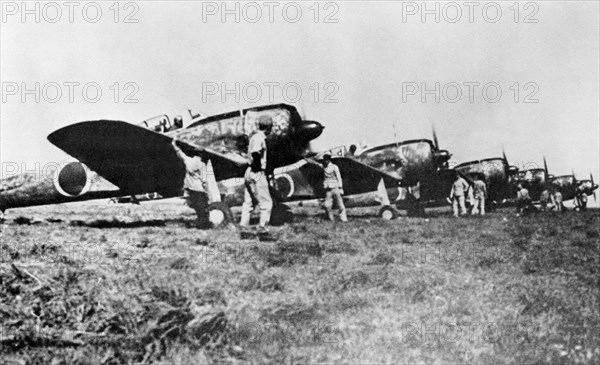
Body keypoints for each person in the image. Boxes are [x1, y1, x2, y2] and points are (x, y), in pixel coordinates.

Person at [239, 116, 274, 237]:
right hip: (256, 172)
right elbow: (256, 153)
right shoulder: (260, 137)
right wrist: (258, 169)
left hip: (248, 171)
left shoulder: (254, 136)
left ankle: (244, 229)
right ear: (269, 127)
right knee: (266, 203)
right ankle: (263, 231)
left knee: (248, 202)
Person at [171, 139, 210, 228]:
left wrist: (174, 145)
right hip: (199, 188)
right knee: (203, 209)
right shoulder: (202, 165)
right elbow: (204, 181)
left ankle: (200, 224)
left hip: (190, 188)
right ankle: (204, 225)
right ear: (202, 154)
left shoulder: (189, 161)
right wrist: (207, 192)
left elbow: (180, 154)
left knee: (196, 207)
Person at [321, 153, 348, 222]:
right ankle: (331, 219)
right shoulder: (324, 167)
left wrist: (341, 188)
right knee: (327, 205)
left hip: (335, 188)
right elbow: (316, 164)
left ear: (329, 160)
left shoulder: (334, 167)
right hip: (328, 189)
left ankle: (343, 219)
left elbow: (339, 178)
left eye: (326, 159)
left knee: (340, 204)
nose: (325, 161)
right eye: (324, 159)